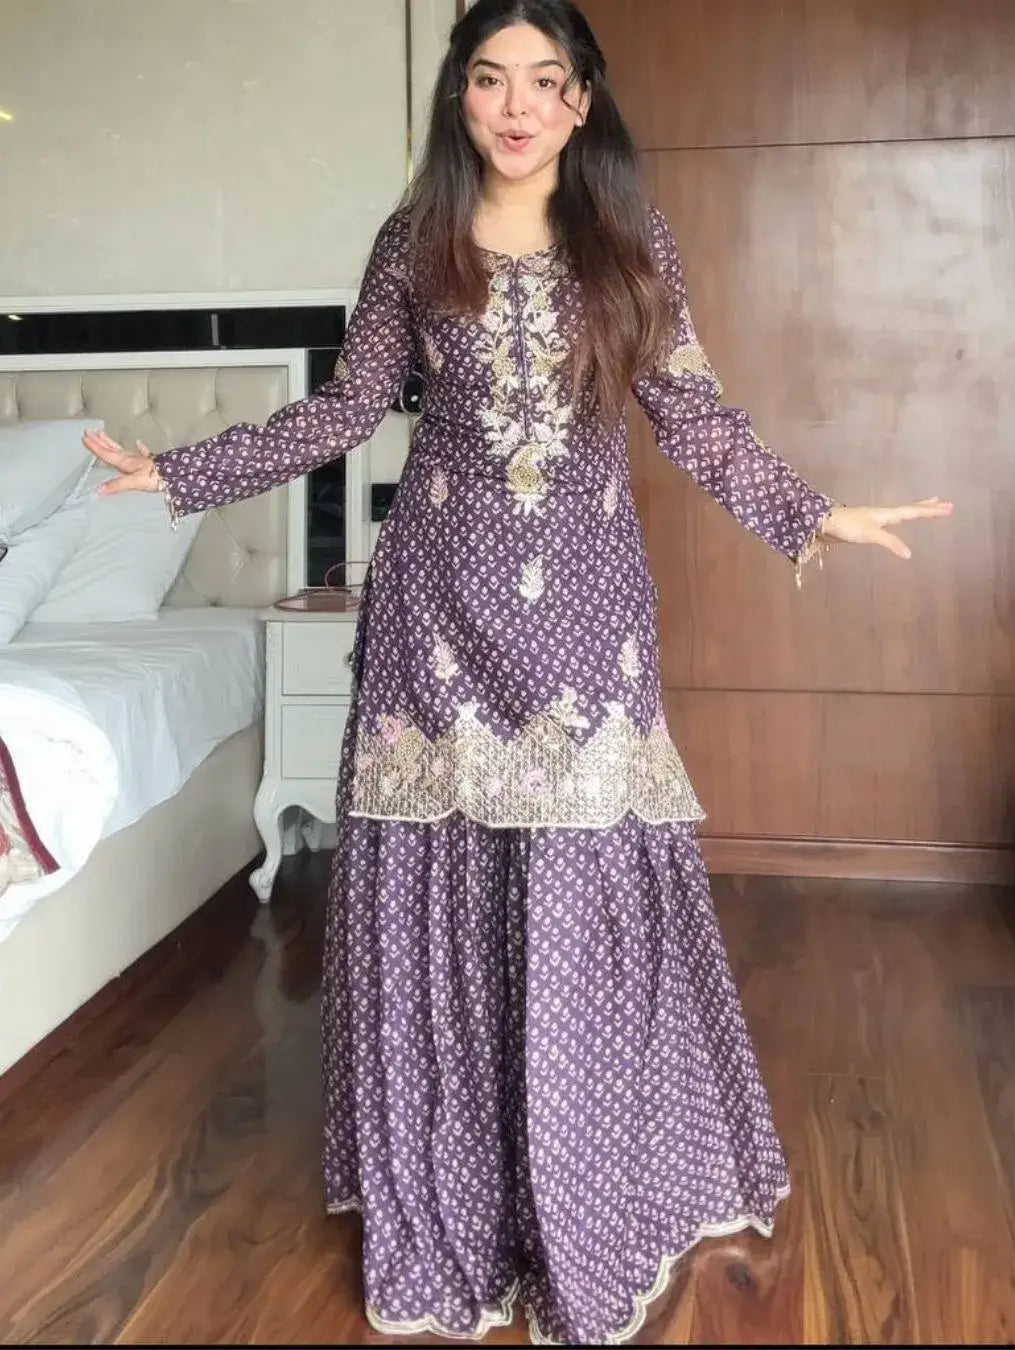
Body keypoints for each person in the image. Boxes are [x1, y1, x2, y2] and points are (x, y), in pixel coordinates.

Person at [84, 0, 952, 1342]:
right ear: (461, 96)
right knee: (442, 898)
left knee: (579, 900)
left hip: (586, 617)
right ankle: (464, 1196)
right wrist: (184, 472)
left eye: (546, 81)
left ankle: (586, 1196)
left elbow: (691, 411)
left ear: (582, 100)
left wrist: (809, 512)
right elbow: (346, 408)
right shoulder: (414, 241)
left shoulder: (627, 238)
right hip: (433, 611)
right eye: (490, 80)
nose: (517, 106)